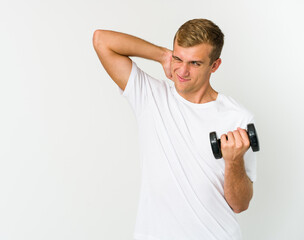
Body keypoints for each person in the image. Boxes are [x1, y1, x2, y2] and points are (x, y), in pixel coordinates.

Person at [93, 18, 257, 240]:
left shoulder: (237, 117)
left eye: (195, 63)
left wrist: (234, 161)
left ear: (214, 65)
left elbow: (240, 205)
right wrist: (162, 55)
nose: (182, 70)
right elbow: (102, 40)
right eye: (178, 59)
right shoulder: (151, 97)